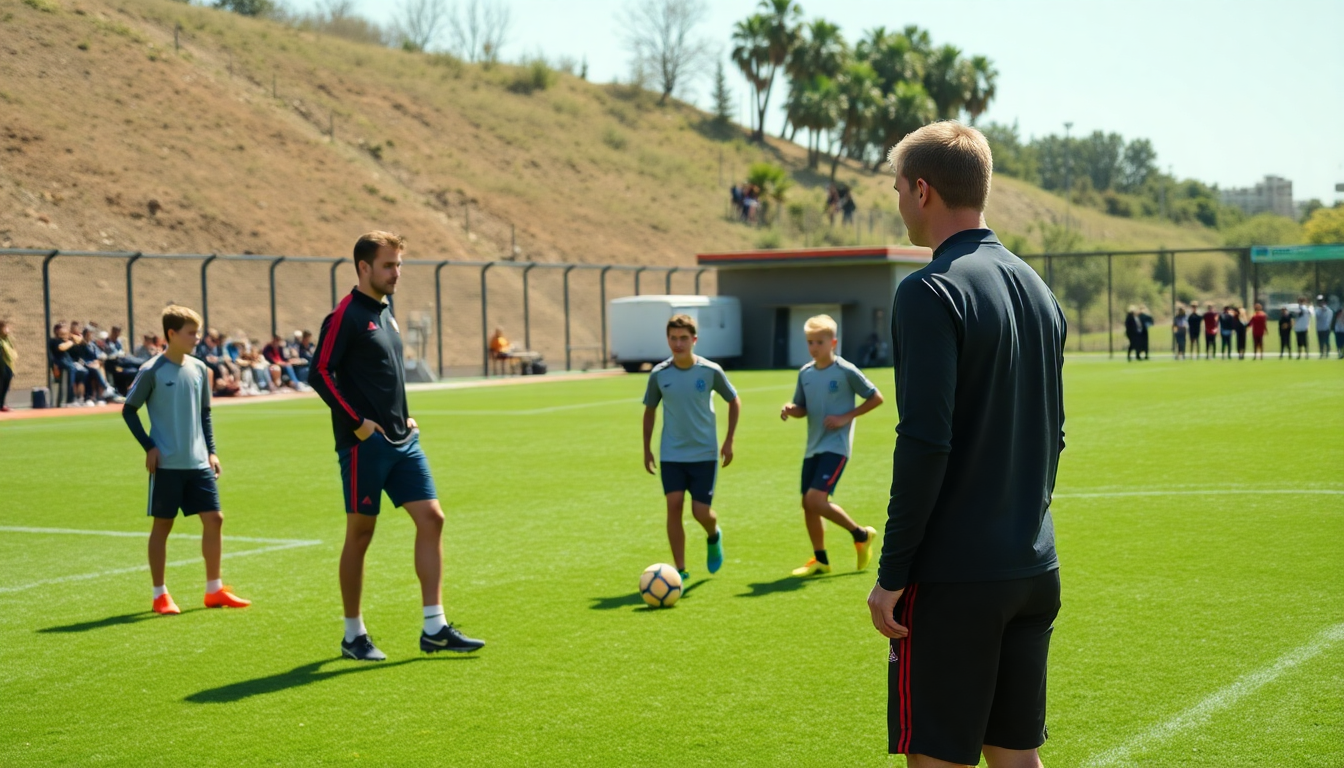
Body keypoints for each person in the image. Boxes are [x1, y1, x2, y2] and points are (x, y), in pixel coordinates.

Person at [869, 121, 1063, 768]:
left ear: (922, 190)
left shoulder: (929, 290)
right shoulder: (1038, 289)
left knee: (937, 760)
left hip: (956, 580)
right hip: (1033, 567)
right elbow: (1056, 435)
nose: (898, 202)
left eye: (898, 189)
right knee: (1017, 759)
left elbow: (925, 443)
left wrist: (892, 575)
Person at [309, 231, 484, 662]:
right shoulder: (346, 315)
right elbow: (320, 372)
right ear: (363, 267)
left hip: (403, 440)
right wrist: (358, 424)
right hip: (364, 446)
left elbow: (386, 376)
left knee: (432, 518)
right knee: (361, 534)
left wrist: (405, 415)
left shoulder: (386, 313)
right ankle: (353, 635)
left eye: (399, 265)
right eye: (388, 265)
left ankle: (434, 627)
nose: (396, 273)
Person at [121, 306, 251, 615]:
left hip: (198, 462)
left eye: (198, 332)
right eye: (191, 333)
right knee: (163, 525)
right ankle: (160, 595)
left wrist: (211, 451)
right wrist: (149, 446)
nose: (197, 338)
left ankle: (214, 590)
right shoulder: (152, 370)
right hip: (166, 464)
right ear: (172, 334)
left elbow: (205, 414)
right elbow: (129, 410)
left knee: (215, 519)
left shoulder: (200, 369)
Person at [779, 314, 883, 576]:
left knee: (815, 499)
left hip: (836, 446)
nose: (814, 347)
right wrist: (792, 409)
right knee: (808, 504)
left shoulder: (846, 370)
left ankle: (860, 534)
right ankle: (821, 560)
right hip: (813, 446)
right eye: (810, 342)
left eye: (819, 342)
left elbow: (876, 397)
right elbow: (802, 407)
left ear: (833, 342)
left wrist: (846, 417)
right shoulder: (805, 373)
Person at [642, 313, 740, 581]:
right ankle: (681, 570)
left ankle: (713, 534)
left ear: (694, 340)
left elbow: (733, 400)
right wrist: (647, 448)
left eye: (683, 338)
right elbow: (649, 410)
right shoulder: (659, 374)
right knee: (673, 506)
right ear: (667, 339)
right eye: (673, 338)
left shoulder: (710, 371)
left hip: (704, 453)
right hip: (672, 453)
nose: (678, 344)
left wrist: (729, 440)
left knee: (700, 512)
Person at [48, 323, 87, 406]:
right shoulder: (54, 341)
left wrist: (72, 336)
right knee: (71, 369)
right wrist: (71, 342)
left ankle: (80, 397)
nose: (65, 335)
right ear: (57, 332)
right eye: (63, 333)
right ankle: (70, 399)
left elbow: (81, 341)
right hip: (60, 365)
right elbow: (61, 347)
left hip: (69, 362)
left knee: (83, 372)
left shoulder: (67, 339)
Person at [0, 320, 15, 412]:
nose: (7, 329)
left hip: (7, 365)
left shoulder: (7, 339)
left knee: (5, 386)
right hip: (1, 366)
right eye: (5, 328)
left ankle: (2, 405)